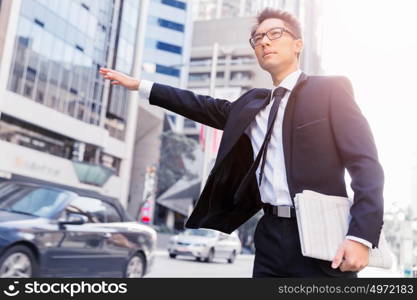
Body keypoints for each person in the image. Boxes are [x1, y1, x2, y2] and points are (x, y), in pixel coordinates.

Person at [99, 8, 384, 278]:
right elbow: (199, 104)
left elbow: (365, 165)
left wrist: (360, 235)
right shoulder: (253, 104)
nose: (264, 42)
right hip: (270, 234)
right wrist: (141, 86)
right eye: (257, 38)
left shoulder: (329, 90)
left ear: (298, 44)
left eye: (275, 34)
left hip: (322, 233)